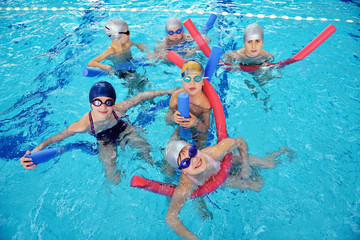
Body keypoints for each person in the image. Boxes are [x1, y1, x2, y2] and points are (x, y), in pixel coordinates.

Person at [20, 81, 176, 185]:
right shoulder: (83, 125)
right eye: (97, 102)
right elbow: (57, 137)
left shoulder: (119, 110)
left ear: (113, 103)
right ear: (91, 104)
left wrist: (167, 91)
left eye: (108, 102)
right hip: (104, 141)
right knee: (112, 176)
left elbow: (141, 97)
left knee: (145, 149)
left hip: (123, 129)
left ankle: (160, 172)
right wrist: (36, 151)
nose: (103, 107)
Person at [164, 139, 295, 239]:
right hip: (216, 181)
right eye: (186, 162)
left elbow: (240, 141)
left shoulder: (213, 152)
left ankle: (282, 150)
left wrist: (246, 166)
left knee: (269, 164)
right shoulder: (186, 185)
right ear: (181, 170)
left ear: (196, 148)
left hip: (224, 163)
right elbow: (170, 218)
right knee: (254, 185)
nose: (194, 160)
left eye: (192, 152)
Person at [88, 18, 153, 95]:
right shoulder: (111, 50)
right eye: (127, 32)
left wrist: (147, 52)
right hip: (121, 73)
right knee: (134, 87)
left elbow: (139, 44)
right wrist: (106, 67)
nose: (130, 34)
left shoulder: (128, 43)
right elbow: (91, 63)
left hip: (132, 66)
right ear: (118, 35)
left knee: (145, 82)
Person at [224, 23, 279, 110]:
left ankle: (266, 101)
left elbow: (271, 61)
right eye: (249, 42)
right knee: (250, 85)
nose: (254, 46)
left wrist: (266, 67)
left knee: (262, 81)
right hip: (243, 69)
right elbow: (226, 56)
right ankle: (258, 99)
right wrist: (233, 65)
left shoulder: (265, 55)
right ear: (244, 44)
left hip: (258, 68)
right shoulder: (238, 54)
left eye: (257, 41)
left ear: (262, 43)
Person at [165, 60, 211, 148]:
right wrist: (173, 118)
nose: (192, 83)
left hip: (198, 131)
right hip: (180, 128)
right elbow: (167, 119)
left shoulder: (205, 103)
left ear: (203, 82)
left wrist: (196, 123)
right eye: (187, 79)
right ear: (182, 82)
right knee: (171, 145)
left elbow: (206, 130)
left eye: (197, 79)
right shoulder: (176, 96)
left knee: (200, 146)